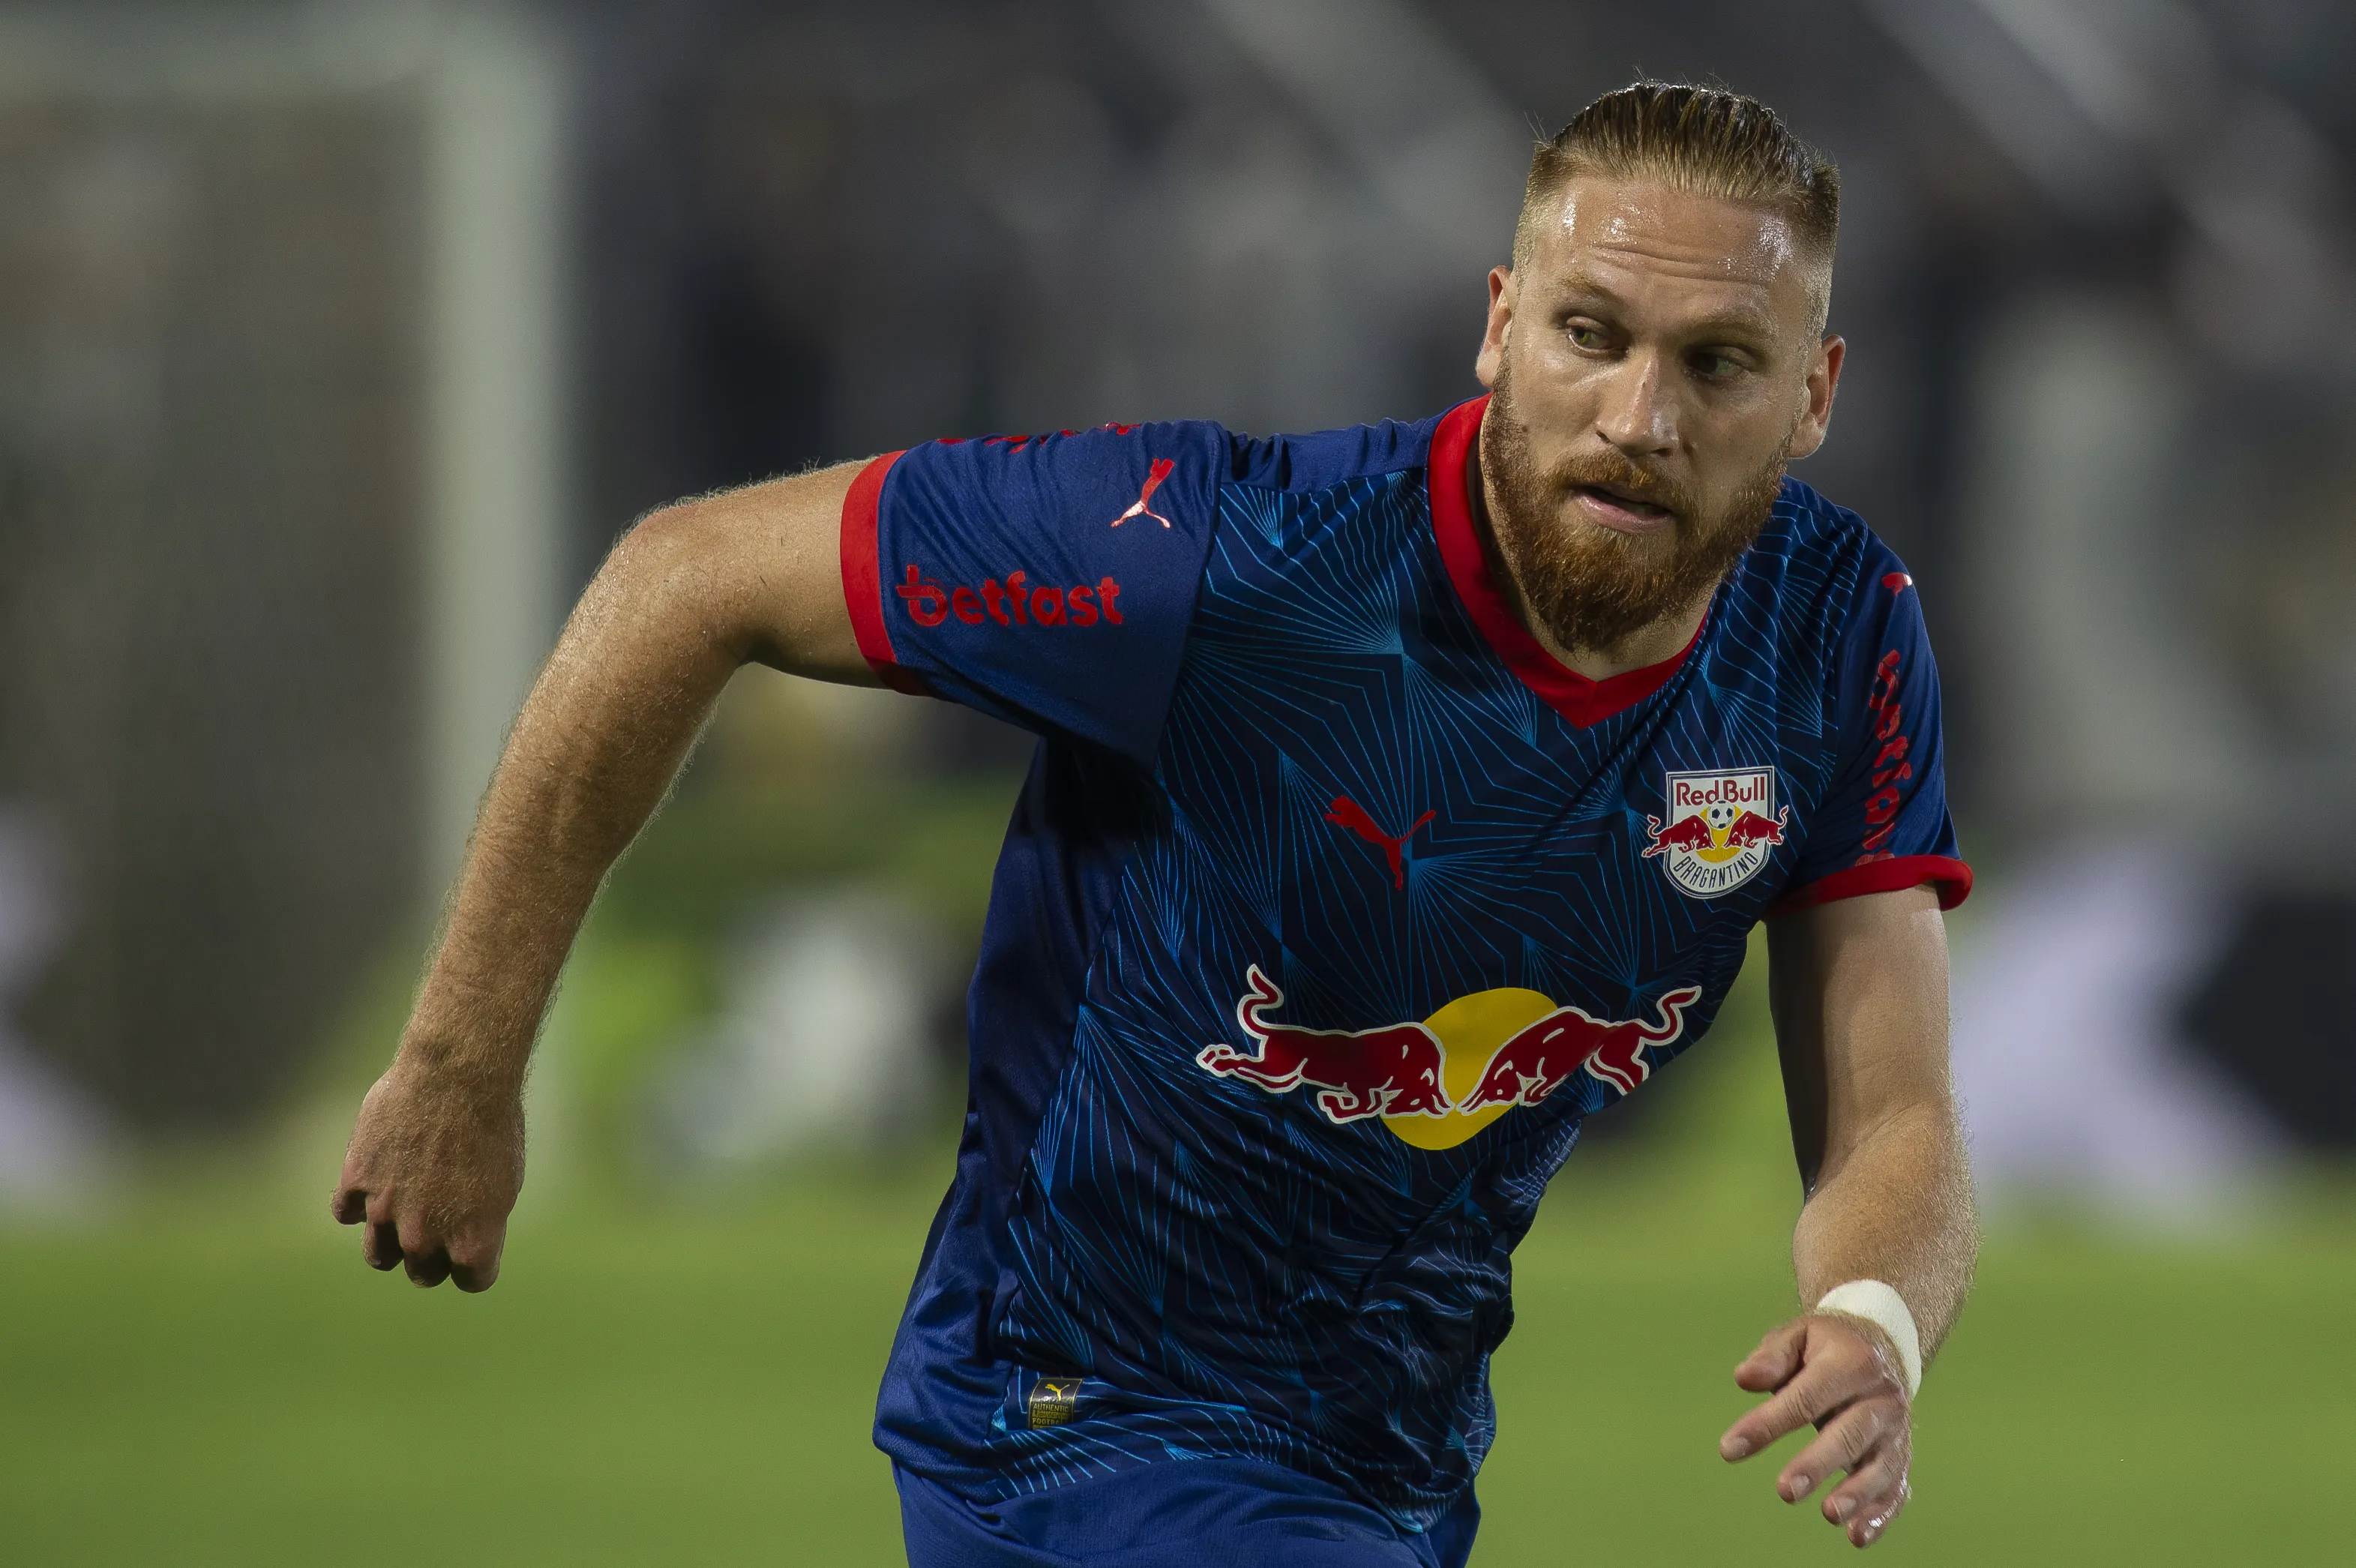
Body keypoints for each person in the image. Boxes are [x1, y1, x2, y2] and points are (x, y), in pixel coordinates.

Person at [334, 80, 1976, 1561]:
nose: (1639, 415)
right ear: (1495, 327)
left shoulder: (1831, 636)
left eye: (1716, 364)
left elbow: (1890, 1108)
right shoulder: (1220, 562)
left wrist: (1870, 1318)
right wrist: (464, 1060)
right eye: (1589, 335)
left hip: (1384, 1471)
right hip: (1066, 1430)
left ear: (1814, 393)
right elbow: (680, 578)